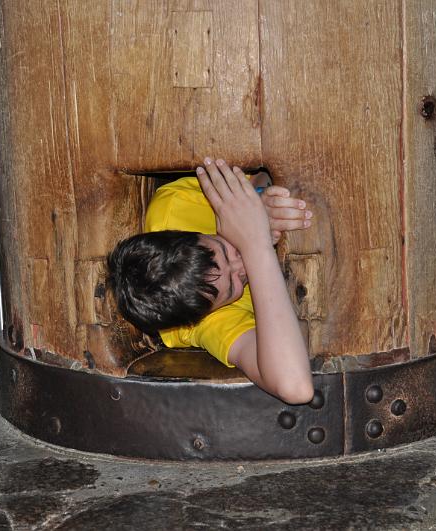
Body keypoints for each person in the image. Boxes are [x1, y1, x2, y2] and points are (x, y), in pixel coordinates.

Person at [107, 158, 315, 404]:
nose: (242, 267)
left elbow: (261, 168)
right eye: (232, 285)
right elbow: (296, 387)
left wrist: (258, 197)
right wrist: (255, 245)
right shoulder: (207, 324)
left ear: (188, 234)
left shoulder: (175, 204)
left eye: (226, 252)